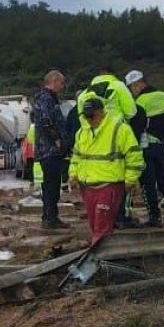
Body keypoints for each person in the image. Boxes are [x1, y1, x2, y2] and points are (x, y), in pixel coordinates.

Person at [69, 98, 144, 245]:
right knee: (94, 225)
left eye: (92, 116)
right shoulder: (82, 132)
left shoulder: (119, 129)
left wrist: (131, 179)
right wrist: (73, 174)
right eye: (86, 116)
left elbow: (134, 155)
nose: (90, 120)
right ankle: (102, 251)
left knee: (101, 227)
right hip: (88, 186)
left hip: (109, 184)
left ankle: (99, 253)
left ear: (102, 112)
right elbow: (77, 156)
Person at [127, 70, 164, 228]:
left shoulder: (140, 102)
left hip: (146, 147)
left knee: (148, 183)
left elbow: (136, 126)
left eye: (131, 88)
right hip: (163, 145)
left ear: (137, 84)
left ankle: (154, 217)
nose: (132, 91)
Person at [32, 70, 68, 228]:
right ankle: (50, 218)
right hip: (49, 150)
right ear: (54, 81)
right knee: (51, 185)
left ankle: (49, 216)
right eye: (61, 83)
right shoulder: (46, 99)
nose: (62, 86)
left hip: (48, 149)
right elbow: (47, 121)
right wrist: (57, 139)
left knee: (51, 185)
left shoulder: (47, 99)